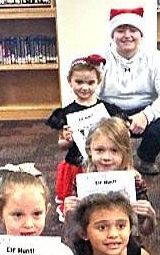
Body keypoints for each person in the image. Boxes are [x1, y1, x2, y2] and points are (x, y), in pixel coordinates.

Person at [98, 7, 160, 175]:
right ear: (112, 35)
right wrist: (111, 119)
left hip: (144, 110)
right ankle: (107, 162)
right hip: (110, 110)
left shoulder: (155, 57)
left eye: (133, 30)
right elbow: (90, 94)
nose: (127, 35)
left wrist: (146, 115)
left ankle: (146, 157)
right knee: (86, 121)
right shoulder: (100, 58)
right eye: (120, 30)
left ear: (141, 35)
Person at [45, 54, 123, 221]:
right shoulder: (67, 113)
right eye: (79, 82)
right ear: (70, 81)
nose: (84, 87)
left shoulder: (106, 110)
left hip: (101, 161)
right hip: (76, 163)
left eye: (90, 83)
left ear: (98, 82)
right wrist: (66, 139)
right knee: (78, 202)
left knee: (102, 200)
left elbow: (118, 136)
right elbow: (62, 145)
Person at [63, 118, 157, 237]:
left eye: (114, 150)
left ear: (125, 152)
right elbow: (75, 232)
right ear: (89, 150)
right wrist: (68, 214)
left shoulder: (134, 182)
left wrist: (151, 217)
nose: (106, 157)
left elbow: (144, 231)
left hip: (123, 241)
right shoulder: (82, 182)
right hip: (92, 242)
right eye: (100, 150)